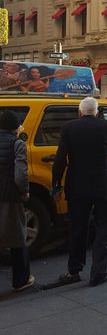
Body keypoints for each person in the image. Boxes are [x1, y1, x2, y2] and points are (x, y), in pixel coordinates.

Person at [52, 96, 107, 286]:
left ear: (80, 112)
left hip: (77, 187)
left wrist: (56, 184)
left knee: (77, 229)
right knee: (103, 228)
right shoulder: (106, 126)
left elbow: (60, 160)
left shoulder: (68, 128)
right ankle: (98, 274)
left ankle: (74, 271)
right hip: (103, 186)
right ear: (97, 112)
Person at [0, 110, 34, 291]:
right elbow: (20, 174)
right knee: (17, 237)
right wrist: (25, 191)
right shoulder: (17, 144)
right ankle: (21, 280)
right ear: (15, 127)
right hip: (9, 195)